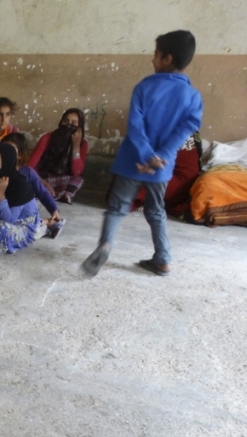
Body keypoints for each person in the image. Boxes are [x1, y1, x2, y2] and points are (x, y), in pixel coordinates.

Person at [82, 30, 203, 277]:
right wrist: (160, 156)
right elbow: (187, 129)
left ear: (167, 58)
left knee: (117, 208)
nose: (152, 60)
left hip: (132, 161)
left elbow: (135, 126)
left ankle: (105, 245)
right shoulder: (192, 96)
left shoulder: (144, 87)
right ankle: (163, 259)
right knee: (156, 210)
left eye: (156, 55)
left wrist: (146, 154)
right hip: (162, 166)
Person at [3, 132, 65, 238]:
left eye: (11, 150)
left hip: (25, 215)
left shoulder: (28, 173)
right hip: (7, 211)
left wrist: (53, 209)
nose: (6, 153)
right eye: (3, 149)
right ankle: (45, 223)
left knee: (27, 231)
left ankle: (47, 225)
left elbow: (42, 192)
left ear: (20, 155)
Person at [27, 108, 89, 204]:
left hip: (62, 180)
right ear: (61, 122)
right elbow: (29, 167)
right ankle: (51, 194)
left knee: (78, 180)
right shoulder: (47, 138)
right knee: (29, 181)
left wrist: (76, 146)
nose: (68, 125)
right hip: (42, 177)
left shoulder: (82, 144)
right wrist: (44, 183)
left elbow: (76, 172)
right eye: (65, 121)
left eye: (74, 123)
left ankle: (65, 195)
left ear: (80, 127)